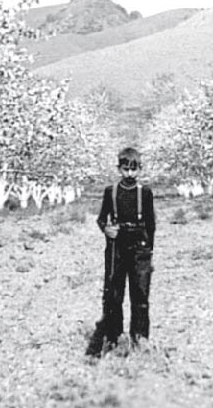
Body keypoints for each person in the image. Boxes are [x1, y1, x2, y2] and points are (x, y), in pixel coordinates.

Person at [87, 147, 156, 356]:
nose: (129, 174)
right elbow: (101, 218)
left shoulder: (145, 192)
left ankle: (140, 338)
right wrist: (107, 229)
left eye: (133, 170)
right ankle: (114, 337)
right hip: (116, 248)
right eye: (125, 169)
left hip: (139, 247)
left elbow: (151, 225)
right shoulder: (111, 191)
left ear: (139, 170)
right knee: (113, 295)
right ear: (119, 169)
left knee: (140, 295)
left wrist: (148, 252)